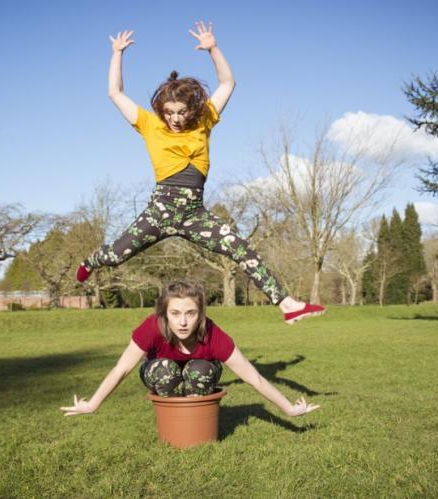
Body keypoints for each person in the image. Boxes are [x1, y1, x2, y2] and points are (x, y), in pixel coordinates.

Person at [76, 21, 324, 325]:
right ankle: (91, 261)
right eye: (169, 113)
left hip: (195, 213)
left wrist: (213, 49)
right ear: (161, 110)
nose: (176, 119)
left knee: (240, 248)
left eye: (181, 112)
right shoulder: (148, 123)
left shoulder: (204, 119)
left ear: (190, 109)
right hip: (161, 211)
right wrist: (117, 54)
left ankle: (287, 304)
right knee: (116, 256)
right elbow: (115, 92)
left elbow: (228, 83)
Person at [60, 280, 320, 417]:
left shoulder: (213, 334)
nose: (183, 321)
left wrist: (289, 409)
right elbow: (122, 369)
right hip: (161, 372)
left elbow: (254, 377)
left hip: (200, 371)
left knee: (200, 369)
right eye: (175, 313)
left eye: (191, 313)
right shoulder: (151, 327)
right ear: (164, 313)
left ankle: (197, 424)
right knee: (166, 370)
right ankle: (174, 426)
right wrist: (93, 404)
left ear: (201, 314)